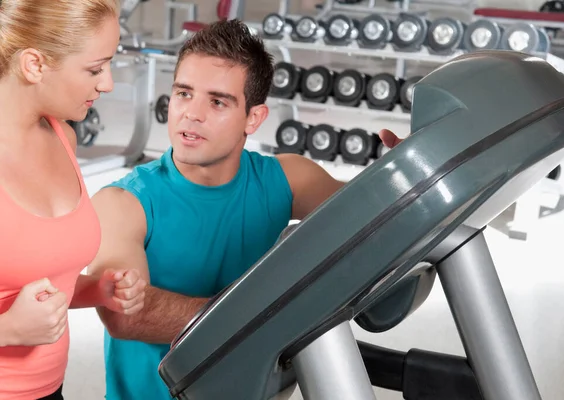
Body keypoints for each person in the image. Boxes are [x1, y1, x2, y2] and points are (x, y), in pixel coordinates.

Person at [87, 19, 401, 399]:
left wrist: (403, 173)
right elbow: (125, 316)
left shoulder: (287, 179)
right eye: (184, 94)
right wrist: (274, 320)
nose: (191, 113)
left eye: (217, 101)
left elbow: (373, 219)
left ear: (253, 118)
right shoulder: (122, 202)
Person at [0, 1, 147, 399]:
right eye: (95, 69)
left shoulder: (62, 136)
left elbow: (37, 278)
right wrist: (9, 329)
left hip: (49, 390)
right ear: (34, 65)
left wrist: (97, 291)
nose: (108, 83)